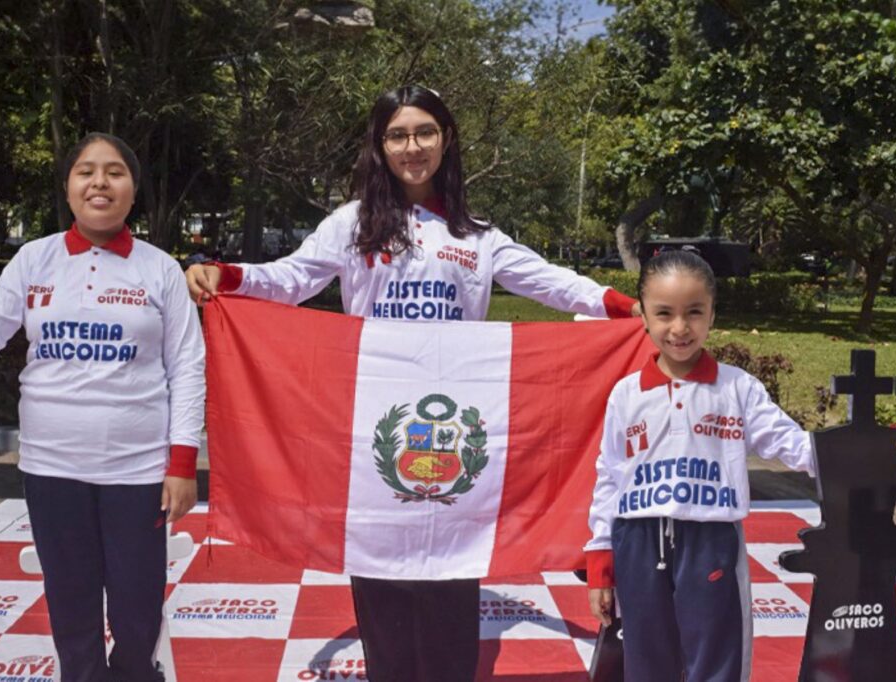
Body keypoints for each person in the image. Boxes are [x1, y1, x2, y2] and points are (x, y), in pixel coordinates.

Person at [185, 84, 640, 682]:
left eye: (425, 132)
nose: (412, 146)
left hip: (456, 429)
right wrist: (229, 275)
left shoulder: (476, 234)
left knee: (454, 569)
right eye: (397, 135)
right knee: (381, 573)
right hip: (377, 428)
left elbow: (550, 282)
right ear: (380, 146)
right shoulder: (351, 224)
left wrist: (626, 308)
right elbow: (292, 278)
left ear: (446, 140)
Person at [0, 132, 205, 682]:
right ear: (68, 186)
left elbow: (188, 367)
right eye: (86, 171)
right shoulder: (36, 259)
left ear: (134, 190)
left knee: (136, 611)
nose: (100, 182)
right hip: (52, 468)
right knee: (71, 606)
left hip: (137, 472)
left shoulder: (160, 270)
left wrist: (182, 464)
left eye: (115, 172)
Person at [583, 250, 896, 682]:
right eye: (664, 314)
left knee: (717, 661)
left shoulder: (737, 389)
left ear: (712, 314)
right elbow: (610, 476)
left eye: (694, 312)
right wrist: (601, 558)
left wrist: (878, 448)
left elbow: (794, 446)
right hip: (637, 543)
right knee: (645, 662)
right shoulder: (626, 394)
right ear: (643, 315)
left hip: (711, 541)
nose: (679, 328)